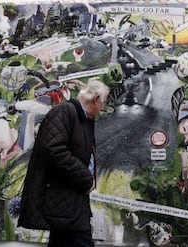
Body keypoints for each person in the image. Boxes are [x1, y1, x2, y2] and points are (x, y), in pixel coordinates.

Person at [18, 78, 109, 247]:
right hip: (65, 203)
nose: (102, 108)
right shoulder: (65, 112)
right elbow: (54, 150)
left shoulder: (82, 118)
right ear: (96, 99)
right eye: (103, 102)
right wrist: (86, 179)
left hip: (70, 201)